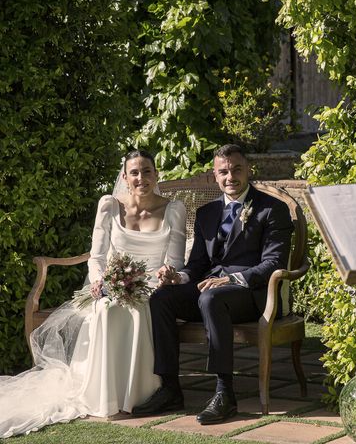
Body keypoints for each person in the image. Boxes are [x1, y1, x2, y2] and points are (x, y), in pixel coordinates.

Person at [0, 149, 187, 438]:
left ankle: (140, 394)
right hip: (112, 282)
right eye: (134, 172)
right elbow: (97, 258)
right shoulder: (109, 205)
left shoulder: (174, 209)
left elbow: (175, 262)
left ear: (156, 174)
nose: (141, 178)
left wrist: (166, 275)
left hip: (152, 288)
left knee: (139, 311)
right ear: (124, 177)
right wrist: (101, 282)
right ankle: (105, 395)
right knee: (107, 309)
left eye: (147, 171)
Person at [131, 144, 294, 424]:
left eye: (236, 169)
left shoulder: (272, 209)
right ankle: (170, 388)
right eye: (223, 172)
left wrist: (230, 279)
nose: (230, 176)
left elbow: (273, 264)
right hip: (212, 290)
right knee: (161, 298)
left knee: (211, 298)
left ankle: (224, 393)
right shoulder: (207, 213)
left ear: (248, 170)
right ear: (215, 176)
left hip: (254, 295)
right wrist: (178, 277)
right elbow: (196, 265)